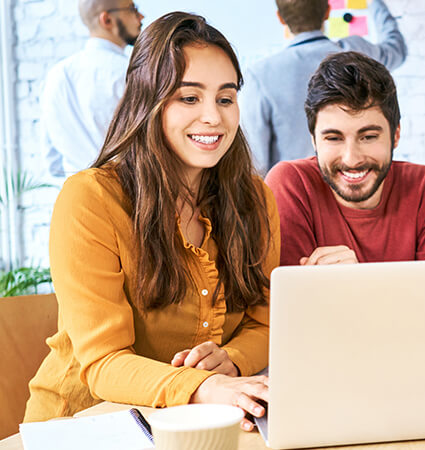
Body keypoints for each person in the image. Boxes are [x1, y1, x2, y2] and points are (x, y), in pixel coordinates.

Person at [25, 12, 278, 431]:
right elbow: (104, 362)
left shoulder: (254, 198)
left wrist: (231, 359)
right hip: (84, 426)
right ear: (148, 100)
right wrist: (203, 386)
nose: (214, 117)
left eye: (226, 98)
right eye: (189, 98)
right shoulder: (91, 198)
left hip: (198, 426)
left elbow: (263, 321)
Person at [266, 51, 425, 266]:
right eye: (334, 138)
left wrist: (353, 283)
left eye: (368, 137)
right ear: (314, 140)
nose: (351, 159)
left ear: (396, 134)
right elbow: (290, 297)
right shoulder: (291, 184)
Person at [240, 0, 407, 174]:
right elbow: (396, 49)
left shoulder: (260, 75)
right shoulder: (356, 53)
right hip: (356, 188)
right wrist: (374, 3)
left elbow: (255, 163)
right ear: (328, 11)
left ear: (280, 18)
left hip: (289, 195)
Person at [40, 0, 144, 177]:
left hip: (75, 196)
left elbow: (52, 161)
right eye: (132, 9)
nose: (141, 17)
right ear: (107, 20)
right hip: (126, 193)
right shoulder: (130, 73)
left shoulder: (55, 75)